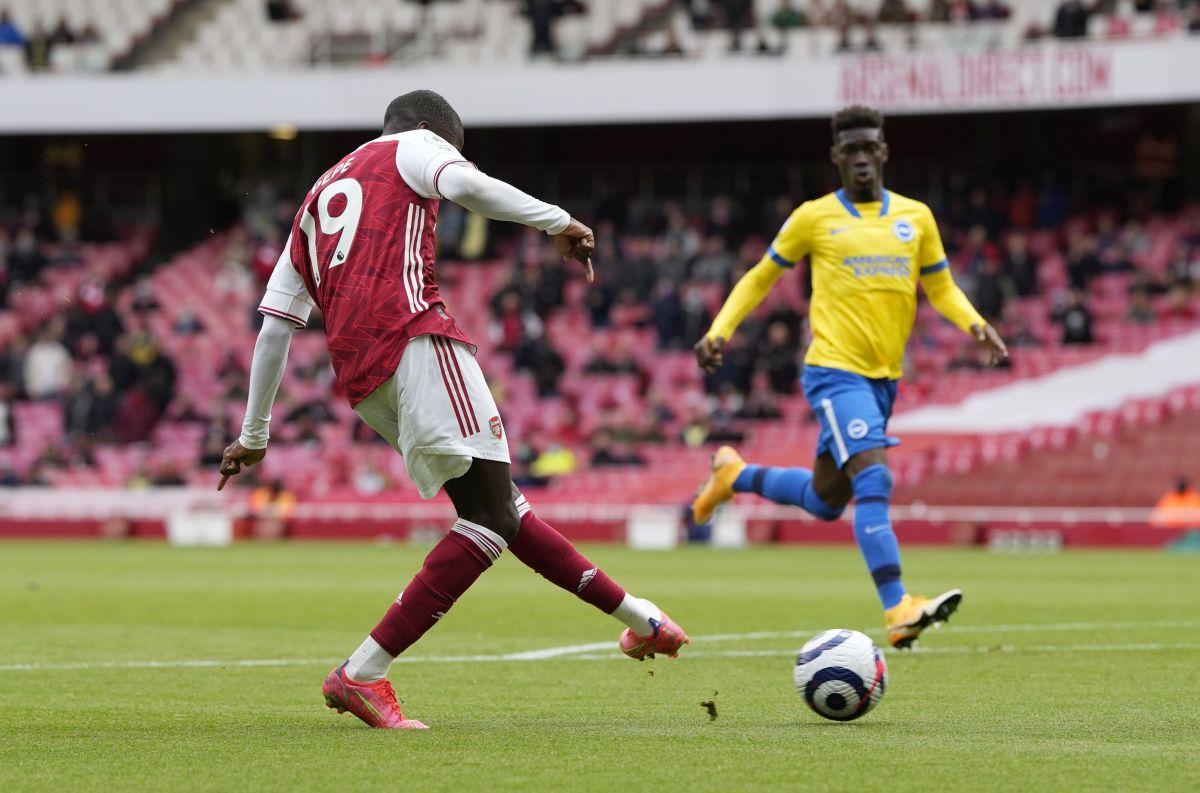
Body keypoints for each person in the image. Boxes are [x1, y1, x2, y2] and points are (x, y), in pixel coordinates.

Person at [217, 90, 689, 730]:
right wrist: (557, 221)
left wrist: (254, 433)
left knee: (503, 511)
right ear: (432, 132)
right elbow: (468, 186)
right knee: (493, 518)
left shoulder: (318, 194)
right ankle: (362, 672)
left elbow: (274, 327)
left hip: (362, 379)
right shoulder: (416, 146)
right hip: (416, 339)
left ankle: (644, 621)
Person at [690, 106, 1008, 649]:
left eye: (870, 147)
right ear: (836, 158)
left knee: (824, 499)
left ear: (883, 152)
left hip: (884, 382)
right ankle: (898, 608)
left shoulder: (916, 218)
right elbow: (760, 278)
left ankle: (733, 475)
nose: (861, 158)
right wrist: (721, 329)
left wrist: (975, 324)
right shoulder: (814, 217)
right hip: (835, 373)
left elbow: (941, 288)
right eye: (850, 150)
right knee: (875, 479)